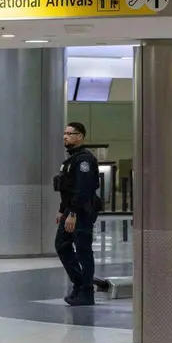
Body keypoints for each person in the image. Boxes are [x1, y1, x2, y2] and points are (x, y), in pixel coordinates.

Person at [54, 122, 102, 306]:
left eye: (70, 133)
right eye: (64, 133)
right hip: (70, 210)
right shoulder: (71, 159)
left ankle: (87, 292)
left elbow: (83, 189)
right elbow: (67, 188)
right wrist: (62, 210)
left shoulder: (84, 160)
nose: (65, 136)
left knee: (83, 251)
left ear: (80, 136)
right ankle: (79, 283)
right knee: (61, 245)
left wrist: (72, 213)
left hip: (81, 211)